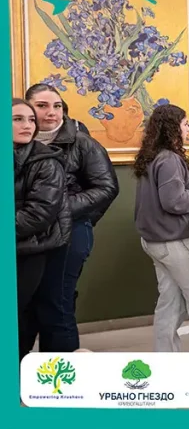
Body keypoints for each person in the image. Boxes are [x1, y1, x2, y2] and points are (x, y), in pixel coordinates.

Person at [25, 84, 118, 352]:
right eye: (42, 106)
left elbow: (107, 188)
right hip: (29, 233)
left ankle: (61, 374)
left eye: (57, 106)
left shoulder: (81, 141)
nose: (51, 112)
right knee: (28, 304)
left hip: (70, 232)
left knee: (57, 303)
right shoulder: (20, 141)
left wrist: (61, 211)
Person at [133, 104, 189, 352]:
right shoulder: (170, 159)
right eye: (186, 124)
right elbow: (174, 202)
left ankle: (166, 358)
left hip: (154, 241)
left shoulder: (151, 156)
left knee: (170, 301)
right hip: (175, 241)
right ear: (173, 127)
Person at [14, 99, 71, 361]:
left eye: (30, 119)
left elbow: (38, 215)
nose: (27, 125)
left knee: (19, 312)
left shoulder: (46, 161)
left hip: (30, 248)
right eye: (18, 119)